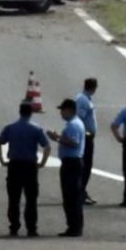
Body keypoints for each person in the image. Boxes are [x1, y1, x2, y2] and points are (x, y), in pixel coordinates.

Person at [0, 102, 52, 237]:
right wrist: (43, 162)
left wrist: (1, 160)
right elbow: (47, 146)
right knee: (31, 199)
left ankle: (14, 227)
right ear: (31, 113)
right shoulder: (36, 129)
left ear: (19, 112)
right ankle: (31, 228)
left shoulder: (10, 127)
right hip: (30, 166)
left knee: (13, 199)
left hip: (14, 165)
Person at [47, 98, 85, 237]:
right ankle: (74, 226)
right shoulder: (73, 123)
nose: (61, 113)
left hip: (72, 162)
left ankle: (74, 227)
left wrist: (57, 137)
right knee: (70, 195)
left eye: (63, 110)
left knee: (71, 196)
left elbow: (74, 142)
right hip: (71, 162)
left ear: (69, 110)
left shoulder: (73, 125)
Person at [75, 78, 98, 205]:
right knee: (85, 166)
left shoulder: (86, 98)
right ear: (93, 87)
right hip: (86, 137)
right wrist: (85, 134)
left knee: (87, 166)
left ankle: (82, 191)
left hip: (88, 137)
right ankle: (80, 192)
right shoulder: (83, 100)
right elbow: (80, 118)